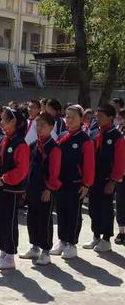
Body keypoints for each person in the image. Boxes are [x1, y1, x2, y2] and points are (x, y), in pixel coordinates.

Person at [50, 105, 95, 259]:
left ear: (81, 119)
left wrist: (86, 184)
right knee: (61, 211)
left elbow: (89, 164)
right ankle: (62, 241)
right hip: (61, 182)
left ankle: (71, 243)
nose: (69, 120)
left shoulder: (85, 140)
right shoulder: (62, 135)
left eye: (73, 117)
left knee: (73, 213)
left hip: (76, 183)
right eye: (67, 117)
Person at [0, 107, 29, 270]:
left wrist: (4, 179)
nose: (1, 122)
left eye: (4, 119)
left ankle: (10, 255)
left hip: (11, 189)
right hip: (0, 187)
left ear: (13, 122)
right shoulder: (5, 139)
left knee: (9, 220)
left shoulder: (21, 143)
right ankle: (3, 251)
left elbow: (21, 170)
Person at [20, 112, 61, 266]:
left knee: (44, 220)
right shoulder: (34, 145)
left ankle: (45, 251)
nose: (40, 128)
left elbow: (54, 171)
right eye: (38, 125)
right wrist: (25, 187)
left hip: (45, 190)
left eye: (44, 125)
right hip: (32, 188)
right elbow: (28, 167)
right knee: (32, 218)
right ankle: (35, 247)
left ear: (51, 127)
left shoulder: (54, 148)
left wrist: (49, 189)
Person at [83, 104, 125, 252]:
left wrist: (113, 181)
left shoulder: (116, 137)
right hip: (93, 178)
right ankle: (96, 235)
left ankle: (106, 238)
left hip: (107, 179)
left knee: (105, 208)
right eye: (97, 116)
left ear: (110, 117)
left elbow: (120, 162)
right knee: (93, 208)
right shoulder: (94, 133)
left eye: (101, 116)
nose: (97, 118)